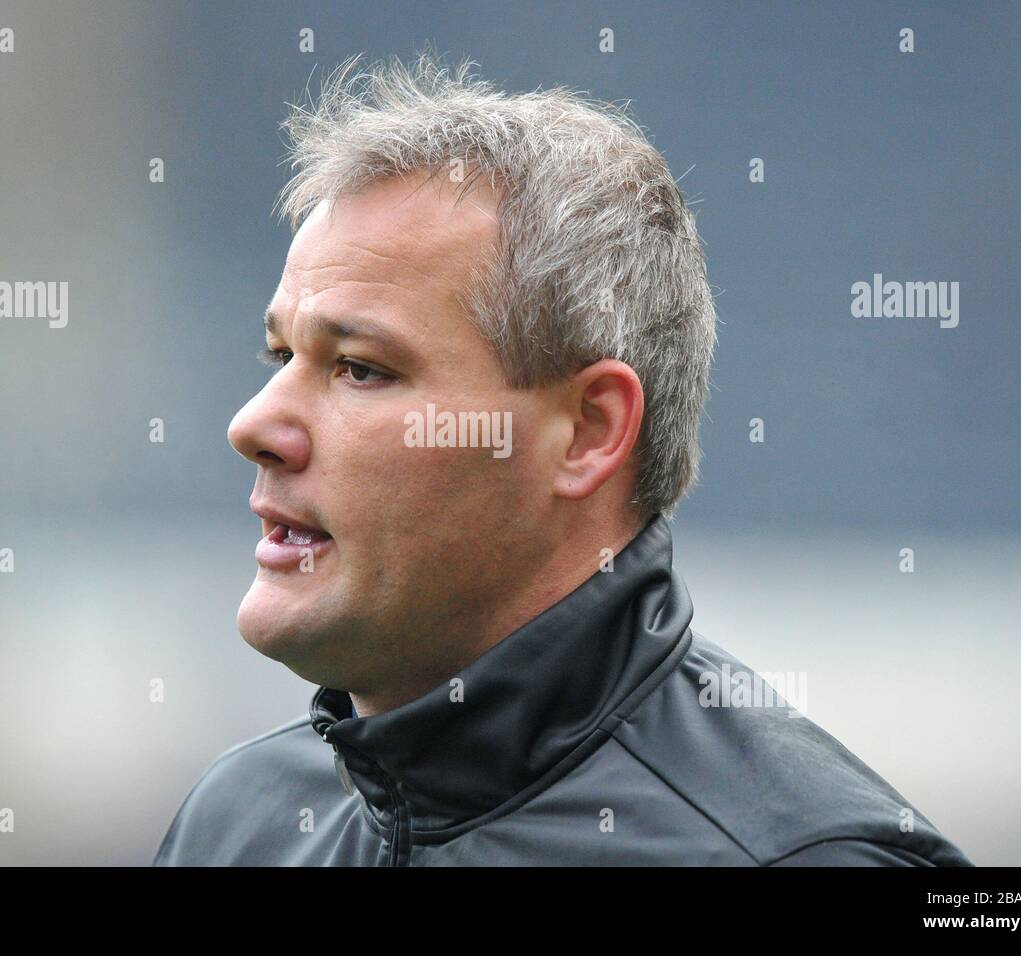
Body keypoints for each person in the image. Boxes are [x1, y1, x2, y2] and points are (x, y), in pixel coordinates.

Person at [154, 52, 972, 866]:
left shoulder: (801, 858)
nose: (255, 425)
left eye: (361, 369)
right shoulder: (235, 827)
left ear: (586, 431)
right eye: (279, 356)